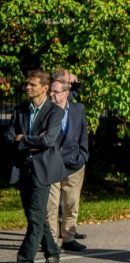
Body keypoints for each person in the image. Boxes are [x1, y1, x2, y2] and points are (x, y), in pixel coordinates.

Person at [5, 70, 66, 263]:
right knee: (36, 216)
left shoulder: (54, 112)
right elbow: (9, 137)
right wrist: (29, 141)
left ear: (44, 88)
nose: (27, 87)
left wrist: (24, 139)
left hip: (42, 171)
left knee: (34, 217)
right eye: (27, 84)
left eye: (32, 84)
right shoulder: (20, 110)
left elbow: (48, 140)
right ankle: (52, 251)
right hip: (23, 170)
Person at [46, 74, 89, 252]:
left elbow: (83, 134)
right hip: (52, 165)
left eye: (56, 92)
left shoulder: (78, 109)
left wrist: (83, 156)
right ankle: (52, 241)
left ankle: (69, 238)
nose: (51, 95)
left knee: (72, 204)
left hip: (74, 164)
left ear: (66, 93)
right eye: (50, 91)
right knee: (51, 206)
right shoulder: (46, 111)